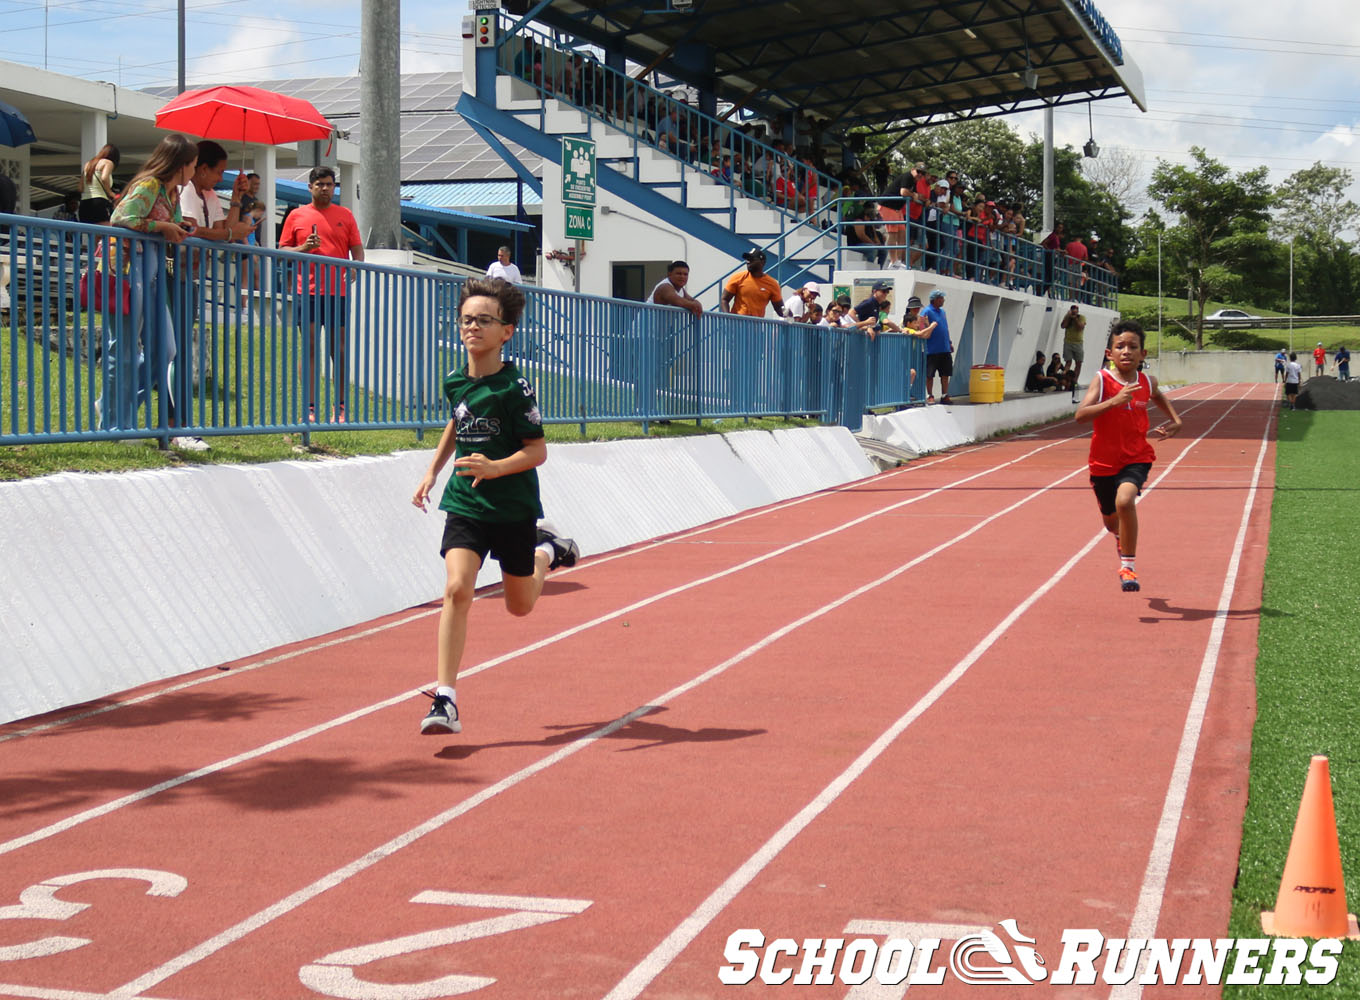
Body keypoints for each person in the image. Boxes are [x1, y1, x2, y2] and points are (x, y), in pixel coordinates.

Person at [410, 276, 579, 736]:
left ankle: (549, 551)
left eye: (484, 320)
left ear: (506, 331)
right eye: (467, 320)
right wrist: (432, 471)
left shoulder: (515, 388)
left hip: (512, 504)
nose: (473, 328)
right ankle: (445, 699)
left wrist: (496, 467)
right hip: (466, 501)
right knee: (456, 589)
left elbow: (536, 451)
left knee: (520, 606)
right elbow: (457, 421)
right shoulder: (455, 380)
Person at [97, 133, 198, 442]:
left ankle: (115, 409)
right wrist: (162, 227)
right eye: (192, 165)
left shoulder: (172, 195)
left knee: (165, 350)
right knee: (124, 350)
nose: (193, 171)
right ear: (181, 166)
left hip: (151, 274)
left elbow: (172, 225)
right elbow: (121, 217)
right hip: (126, 271)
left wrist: (179, 229)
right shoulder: (150, 185)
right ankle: (115, 426)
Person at [1074, 319, 1183, 593]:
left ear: (1143, 354)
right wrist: (1113, 401)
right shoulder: (1102, 380)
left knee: (1125, 502)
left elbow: (1157, 395)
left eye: (1133, 347)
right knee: (1111, 521)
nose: (1126, 351)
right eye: (1120, 346)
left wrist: (1175, 420)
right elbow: (1080, 416)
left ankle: (1127, 567)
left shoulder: (1147, 381)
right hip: (1102, 463)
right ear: (1109, 354)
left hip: (1137, 457)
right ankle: (1122, 538)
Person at [278, 166, 365, 423]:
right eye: (320, 184)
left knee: (338, 349)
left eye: (329, 184)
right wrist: (305, 247)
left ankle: (341, 408)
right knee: (310, 348)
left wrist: (355, 266)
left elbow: (358, 251)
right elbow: (282, 251)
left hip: (337, 293)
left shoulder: (345, 215)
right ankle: (310, 407)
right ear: (310, 187)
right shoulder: (296, 215)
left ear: (334, 187)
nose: (325, 188)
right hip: (309, 292)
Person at [721, 248, 784, 317]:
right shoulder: (737, 278)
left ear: (762, 262)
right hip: (737, 325)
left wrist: (788, 315)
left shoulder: (772, 284)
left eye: (751, 259)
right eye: (747, 259)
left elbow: (779, 307)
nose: (748, 261)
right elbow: (724, 299)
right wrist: (728, 317)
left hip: (756, 325)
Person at [920, 288, 954, 404]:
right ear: (935, 300)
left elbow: (945, 328)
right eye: (941, 298)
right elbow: (923, 327)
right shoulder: (926, 311)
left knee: (945, 373)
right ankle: (930, 395)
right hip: (932, 349)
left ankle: (945, 395)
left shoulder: (943, 312)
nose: (943, 300)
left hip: (944, 348)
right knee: (930, 375)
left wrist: (949, 343)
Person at [79, 143, 120, 224]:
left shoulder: (88, 164)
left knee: (92, 235)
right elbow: (104, 178)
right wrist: (110, 193)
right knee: (105, 233)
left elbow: (80, 188)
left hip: (84, 204)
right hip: (99, 203)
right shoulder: (108, 163)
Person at [1060, 303, 1086, 387]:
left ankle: (1074, 381)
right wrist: (1068, 317)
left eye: (1075, 310)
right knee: (1068, 362)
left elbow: (1080, 327)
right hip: (1068, 342)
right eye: (1073, 310)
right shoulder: (1067, 316)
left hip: (1078, 343)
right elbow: (1063, 326)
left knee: (1078, 363)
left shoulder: (1081, 317)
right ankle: (1065, 380)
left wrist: (1075, 319)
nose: (1074, 312)